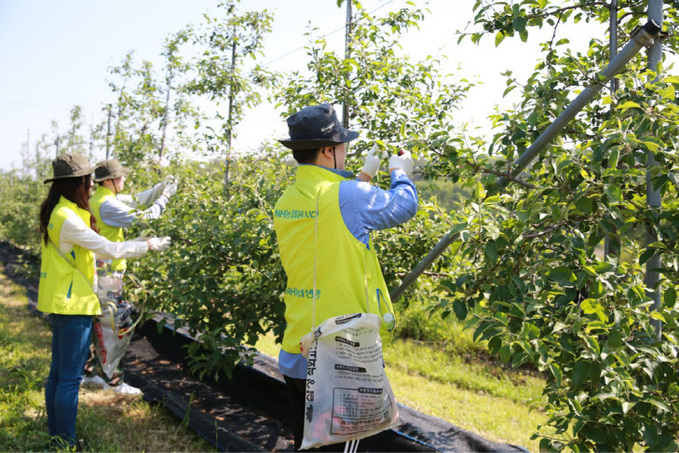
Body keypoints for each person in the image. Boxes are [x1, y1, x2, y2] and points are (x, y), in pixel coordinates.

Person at [273, 104, 418, 451]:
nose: (346, 151)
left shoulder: (288, 199)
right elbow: (404, 205)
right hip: (340, 359)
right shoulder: (347, 196)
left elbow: (331, 214)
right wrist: (402, 172)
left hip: (297, 347)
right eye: (342, 146)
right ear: (327, 150)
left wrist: (363, 177)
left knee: (307, 443)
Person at [38, 153, 171, 450]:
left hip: (60, 300)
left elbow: (91, 250)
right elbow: (108, 248)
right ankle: (65, 443)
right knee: (69, 379)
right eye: (87, 181)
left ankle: (57, 436)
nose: (90, 186)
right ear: (78, 183)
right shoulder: (68, 218)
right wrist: (147, 245)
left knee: (58, 373)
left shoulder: (58, 211)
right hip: (73, 304)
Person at [82, 159, 178, 394]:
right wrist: (165, 198)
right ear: (109, 181)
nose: (124, 179)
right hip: (107, 273)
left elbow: (136, 200)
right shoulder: (107, 205)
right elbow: (146, 217)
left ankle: (90, 373)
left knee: (102, 322)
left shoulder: (104, 198)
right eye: (121, 177)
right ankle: (111, 380)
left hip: (105, 269)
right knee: (116, 324)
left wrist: (160, 188)